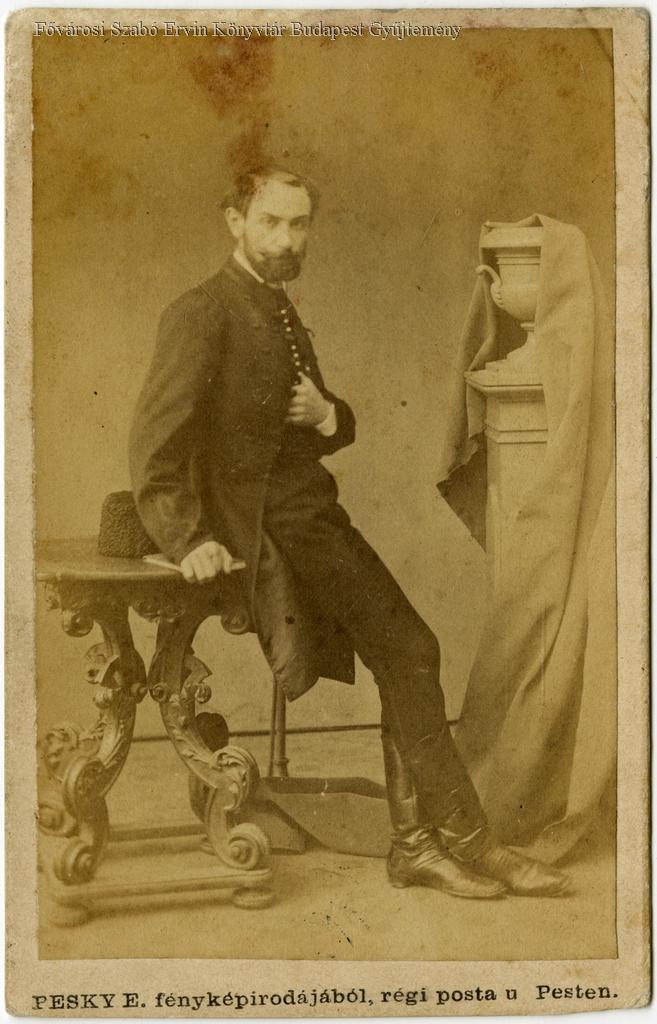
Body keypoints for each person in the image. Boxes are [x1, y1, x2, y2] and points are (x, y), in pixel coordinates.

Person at [129, 166, 570, 900]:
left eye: (299, 224)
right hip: (263, 532)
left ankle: (422, 845)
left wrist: (326, 415)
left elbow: (321, 423)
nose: (287, 239)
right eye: (271, 222)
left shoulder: (276, 307)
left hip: (312, 519)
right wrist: (189, 539)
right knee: (410, 650)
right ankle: (463, 843)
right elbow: (155, 448)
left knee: (409, 653)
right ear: (234, 221)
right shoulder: (202, 312)